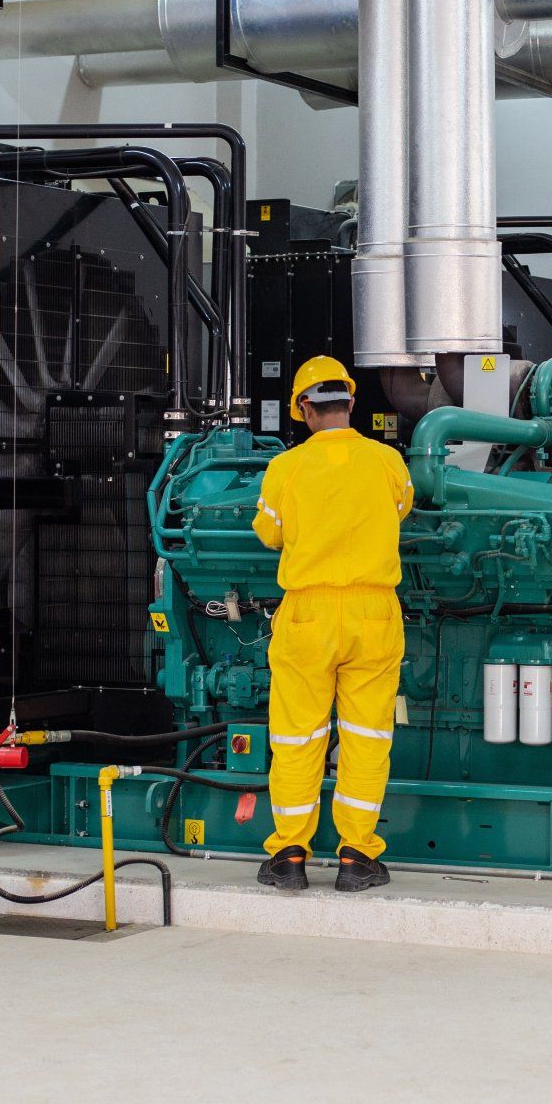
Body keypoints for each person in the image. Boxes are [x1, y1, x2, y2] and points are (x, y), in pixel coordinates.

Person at [251, 356, 413, 892]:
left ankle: (291, 856)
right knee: (367, 737)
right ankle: (356, 859)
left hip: (308, 615)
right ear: (351, 401)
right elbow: (403, 506)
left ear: (303, 409)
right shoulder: (387, 460)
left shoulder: (285, 468)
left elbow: (268, 533)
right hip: (373, 611)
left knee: (299, 737)